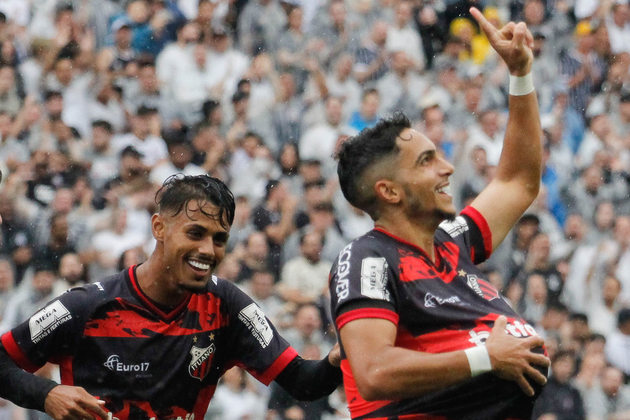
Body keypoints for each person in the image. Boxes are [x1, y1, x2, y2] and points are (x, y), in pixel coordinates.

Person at [328, 8, 550, 419]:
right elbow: (374, 372)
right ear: (389, 191)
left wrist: (520, 74)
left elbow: (518, 182)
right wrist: (486, 358)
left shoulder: (451, 239)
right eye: (427, 161)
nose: (447, 168)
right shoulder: (366, 259)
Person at [0, 174, 342, 420]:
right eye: (195, 233)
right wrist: (48, 395)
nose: (207, 250)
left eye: (219, 239)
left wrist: (343, 355)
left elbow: (302, 381)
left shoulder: (228, 307)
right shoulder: (85, 306)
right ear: (159, 228)